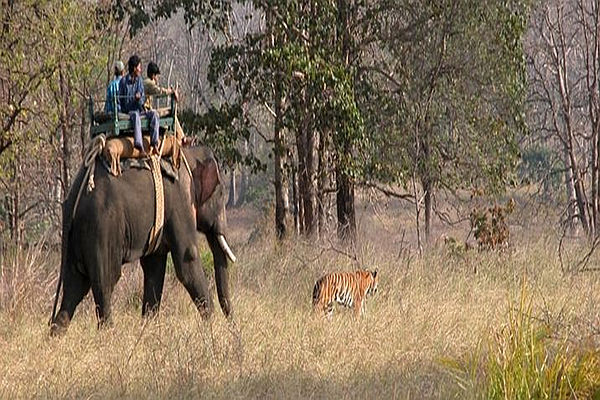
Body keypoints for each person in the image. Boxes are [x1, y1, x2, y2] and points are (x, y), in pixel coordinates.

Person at [118, 54, 160, 155]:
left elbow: (142, 100)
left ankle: (154, 144)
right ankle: (139, 146)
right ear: (134, 68)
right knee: (135, 115)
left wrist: (139, 99)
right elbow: (121, 101)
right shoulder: (123, 82)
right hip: (129, 112)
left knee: (154, 114)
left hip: (139, 110)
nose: (140, 70)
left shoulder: (139, 81)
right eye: (139, 67)